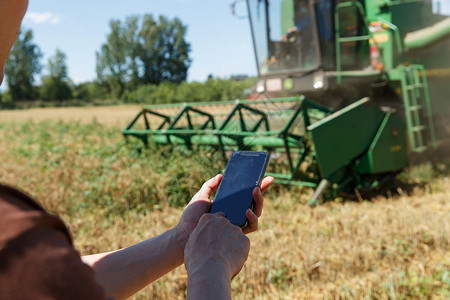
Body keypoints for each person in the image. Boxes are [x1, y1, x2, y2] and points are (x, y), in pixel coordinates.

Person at [0, 1, 275, 299]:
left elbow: (61, 283)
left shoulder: (20, 256)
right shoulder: (15, 238)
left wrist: (182, 239)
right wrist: (211, 266)